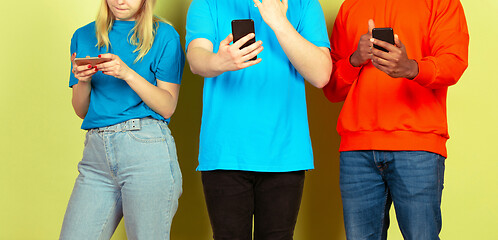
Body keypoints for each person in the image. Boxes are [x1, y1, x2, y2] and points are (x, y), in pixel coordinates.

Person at [186, 0, 331, 239]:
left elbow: (321, 74)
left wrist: (279, 22)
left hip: (284, 154)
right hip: (226, 154)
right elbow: (196, 58)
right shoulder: (207, 3)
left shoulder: (305, 5)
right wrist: (219, 61)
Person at [323, 0, 469, 239]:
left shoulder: (442, 2)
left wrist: (410, 68)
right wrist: (355, 60)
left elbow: (454, 62)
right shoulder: (351, 6)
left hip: (417, 146)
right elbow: (331, 88)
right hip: (357, 150)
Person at [60, 0, 184, 239]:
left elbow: (167, 106)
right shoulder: (83, 35)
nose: (120, 0)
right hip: (96, 156)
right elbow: (81, 110)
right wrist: (83, 81)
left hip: (146, 152)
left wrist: (126, 73)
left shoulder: (165, 35)